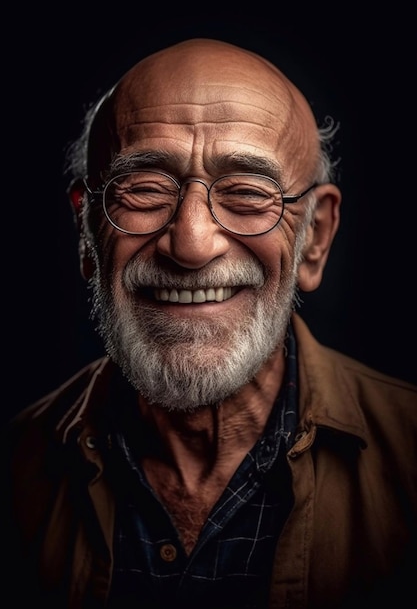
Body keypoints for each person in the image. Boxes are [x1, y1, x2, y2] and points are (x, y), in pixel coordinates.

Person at [3, 37, 417, 609]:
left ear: (315, 238)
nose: (192, 245)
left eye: (248, 192)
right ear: (85, 231)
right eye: (144, 189)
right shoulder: (15, 466)